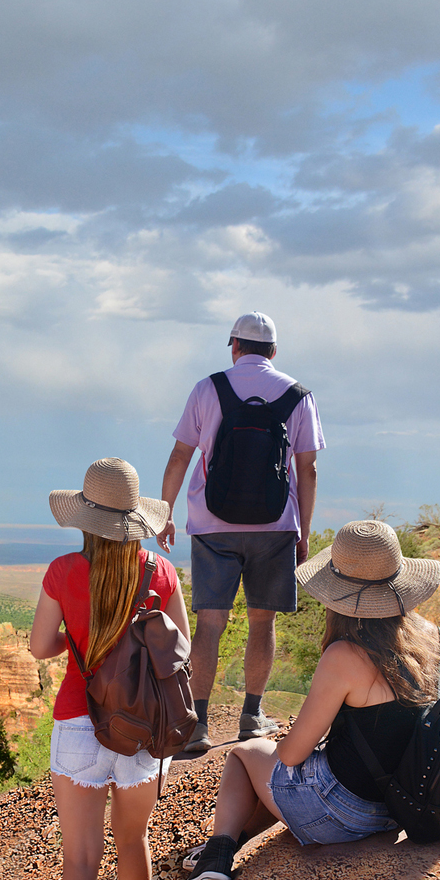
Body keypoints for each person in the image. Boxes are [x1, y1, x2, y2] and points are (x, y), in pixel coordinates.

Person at [182, 520, 440, 880]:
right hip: (404, 805)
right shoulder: (432, 637)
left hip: (344, 816)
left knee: (246, 754)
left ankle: (217, 858)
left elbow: (291, 757)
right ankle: (224, 845)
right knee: (278, 778)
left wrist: (288, 743)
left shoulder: (345, 654)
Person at [29, 458, 192, 880]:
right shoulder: (162, 572)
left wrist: (78, 645)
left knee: (79, 857)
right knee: (133, 836)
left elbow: (38, 647)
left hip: (79, 720)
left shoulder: (63, 571)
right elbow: (181, 650)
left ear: (84, 520)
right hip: (143, 723)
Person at [156, 312, 324, 752]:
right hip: (274, 527)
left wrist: (166, 512)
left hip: (212, 525)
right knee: (261, 620)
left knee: (210, 624)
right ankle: (252, 716)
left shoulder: (207, 389)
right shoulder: (298, 395)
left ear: (233, 345)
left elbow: (179, 456)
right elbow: (307, 469)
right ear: (273, 351)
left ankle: (198, 725)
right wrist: (303, 531)